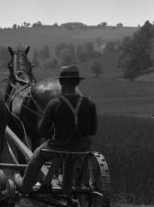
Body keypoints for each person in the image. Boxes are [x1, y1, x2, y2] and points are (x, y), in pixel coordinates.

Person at [15, 65, 97, 197]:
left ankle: (24, 187)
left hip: (57, 146)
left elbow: (41, 130)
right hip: (81, 147)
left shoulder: (54, 103)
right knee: (70, 159)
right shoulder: (90, 104)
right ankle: (66, 189)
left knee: (36, 156)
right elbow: (92, 130)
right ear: (77, 83)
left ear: (61, 83)